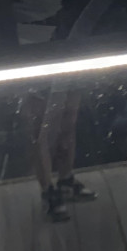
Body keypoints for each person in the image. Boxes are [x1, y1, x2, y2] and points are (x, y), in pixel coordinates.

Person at [20, 85, 98, 221]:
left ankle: (65, 180)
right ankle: (48, 192)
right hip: (38, 78)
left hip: (68, 76)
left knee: (68, 121)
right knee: (40, 130)